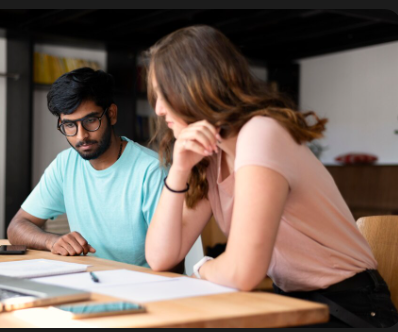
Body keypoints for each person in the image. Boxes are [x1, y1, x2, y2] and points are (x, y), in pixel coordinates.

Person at [144, 25, 398, 328]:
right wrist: (180, 168)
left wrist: (201, 269)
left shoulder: (261, 132)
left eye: (164, 94)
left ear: (196, 86)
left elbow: (243, 272)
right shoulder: (210, 158)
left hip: (350, 307)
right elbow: (160, 258)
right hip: (291, 302)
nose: (158, 109)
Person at [8, 67, 167, 268]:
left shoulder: (151, 171)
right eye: (69, 125)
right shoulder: (65, 164)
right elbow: (17, 226)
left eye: (90, 121)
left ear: (111, 114)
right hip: (88, 289)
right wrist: (52, 241)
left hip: (139, 293)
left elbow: (172, 264)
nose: (81, 136)